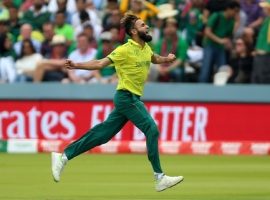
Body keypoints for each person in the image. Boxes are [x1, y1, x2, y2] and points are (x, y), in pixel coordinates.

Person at [51, 14, 184, 192]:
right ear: (134, 31)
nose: (147, 27)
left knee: (103, 134)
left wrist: (166, 59)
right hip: (126, 97)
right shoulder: (124, 50)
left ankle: (64, 156)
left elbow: (153, 58)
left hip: (131, 99)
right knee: (152, 129)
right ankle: (159, 177)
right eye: (143, 25)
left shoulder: (146, 48)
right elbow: (100, 63)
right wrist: (76, 65)